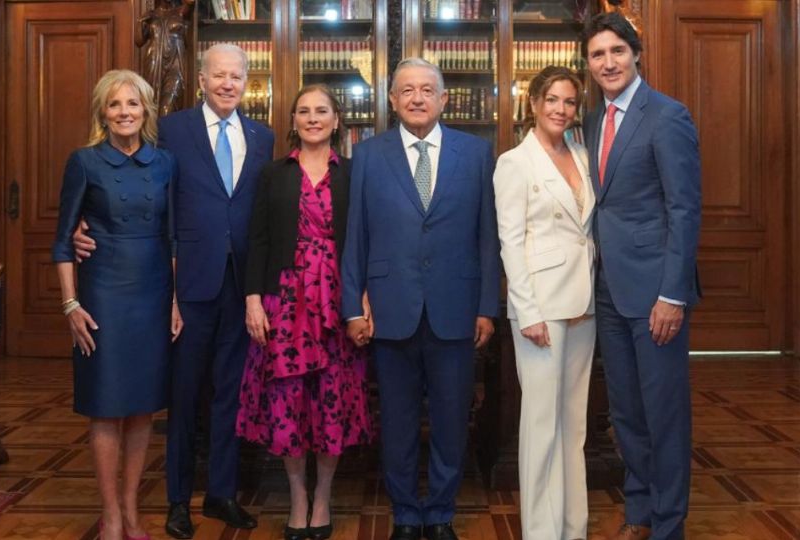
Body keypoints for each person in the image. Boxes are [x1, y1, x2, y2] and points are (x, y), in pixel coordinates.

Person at [73, 43, 275, 539]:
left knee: (231, 392)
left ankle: (222, 493)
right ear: (202, 79)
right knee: (184, 395)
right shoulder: (173, 129)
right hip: (185, 285)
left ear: (247, 81)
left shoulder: (262, 135)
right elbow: (141, 185)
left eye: (236, 76)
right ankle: (178, 500)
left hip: (243, 283)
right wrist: (84, 221)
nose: (228, 83)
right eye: (218, 75)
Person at [341, 58, 500, 540]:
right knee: (399, 423)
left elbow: (487, 237)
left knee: (452, 421)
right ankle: (407, 514)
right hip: (390, 311)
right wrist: (352, 306)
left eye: (427, 90)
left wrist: (487, 306)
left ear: (444, 99)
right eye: (406, 90)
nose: (416, 97)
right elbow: (356, 237)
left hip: (456, 308)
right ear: (391, 100)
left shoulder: (476, 153)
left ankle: (442, 513)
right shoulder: (368, 155)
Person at [582, 12, 701, 540]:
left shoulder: (667, 116)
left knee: (663, 415)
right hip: (606, 289)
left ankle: (670, 523)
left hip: (656, 293)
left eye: (617, 52)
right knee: (626, 413)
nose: (608, 62)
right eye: (597, 55)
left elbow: (683, 209)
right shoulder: (590, 120)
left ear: (636, 54)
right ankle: (639, 513)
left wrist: (672, 295)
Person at [237, 84, 374, 540]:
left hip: (339, 305)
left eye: (322, 111)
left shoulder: (355, 174)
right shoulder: (273, 174)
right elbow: (256, 239)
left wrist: (365, 298)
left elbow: (368, 243)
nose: (313, 118)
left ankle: (323, 497)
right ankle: (298, 497)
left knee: (332, 402)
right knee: (288, 405)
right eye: (303, 111)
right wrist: (253, 298)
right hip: (284, 304)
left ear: (337, 120)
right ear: (293, 121)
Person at [53, 69, 181, 540]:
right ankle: (109, 514)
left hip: (153, 294)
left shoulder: (166, 162)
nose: (124, 112)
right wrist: (70, 304)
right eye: (114, 105)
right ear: (102, 113)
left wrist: (176, 302)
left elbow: (173, 238)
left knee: (144, 408)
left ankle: (131, 510)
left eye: (133, 104)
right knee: (106, 406)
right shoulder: (84, 162)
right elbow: (65, 241)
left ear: (146, 110)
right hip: (103, 294)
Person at [494, 65, 596, 540]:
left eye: (569, 101)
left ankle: (572, 528)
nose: (560, 109)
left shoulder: (582, 152)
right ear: (533, 104)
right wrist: (527, 311)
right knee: (541, 425)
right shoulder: (515, 162)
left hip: (585, 303)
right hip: (541, 307)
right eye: (551, 99)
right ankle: (540, 531)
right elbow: (509, 243)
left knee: (574, 425)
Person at [136, 0, 195, 116]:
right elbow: (138, 41)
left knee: (168, 105)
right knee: (150, 102)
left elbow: (191, 3)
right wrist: (140, 21)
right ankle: (151, 133)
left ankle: (166, 132)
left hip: (175, 60)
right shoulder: (151, 15)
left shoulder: (181, 11)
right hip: (154, 58)